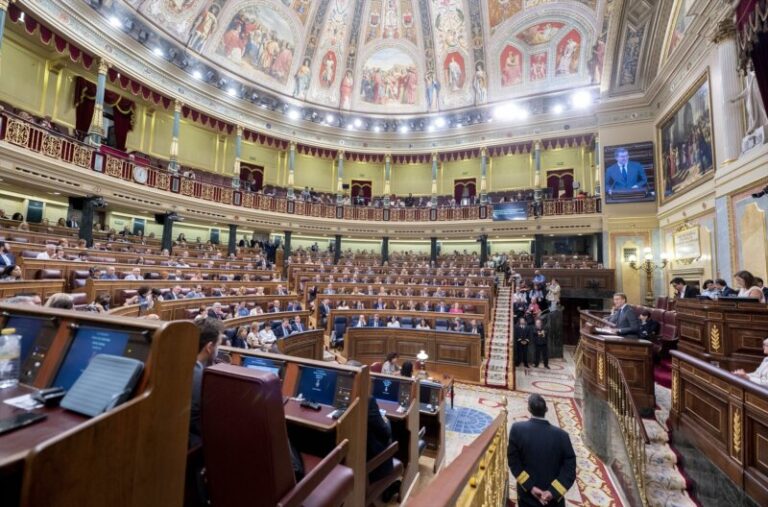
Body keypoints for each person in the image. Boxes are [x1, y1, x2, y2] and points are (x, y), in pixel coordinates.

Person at [508, 394, 576, 507]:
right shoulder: (562, 436)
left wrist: (530, 486)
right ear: (546, 410)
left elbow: (514, 463)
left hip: (527, 498)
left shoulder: (517, 429)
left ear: (529, 409)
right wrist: (552, 492)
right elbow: (569, 469)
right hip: (553, 502)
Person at [189, 317, 224, 448]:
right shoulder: (200, 375)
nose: (219, 348)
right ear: (209, 347)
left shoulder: (183, 364)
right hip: (196, 447)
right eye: (219, 344)